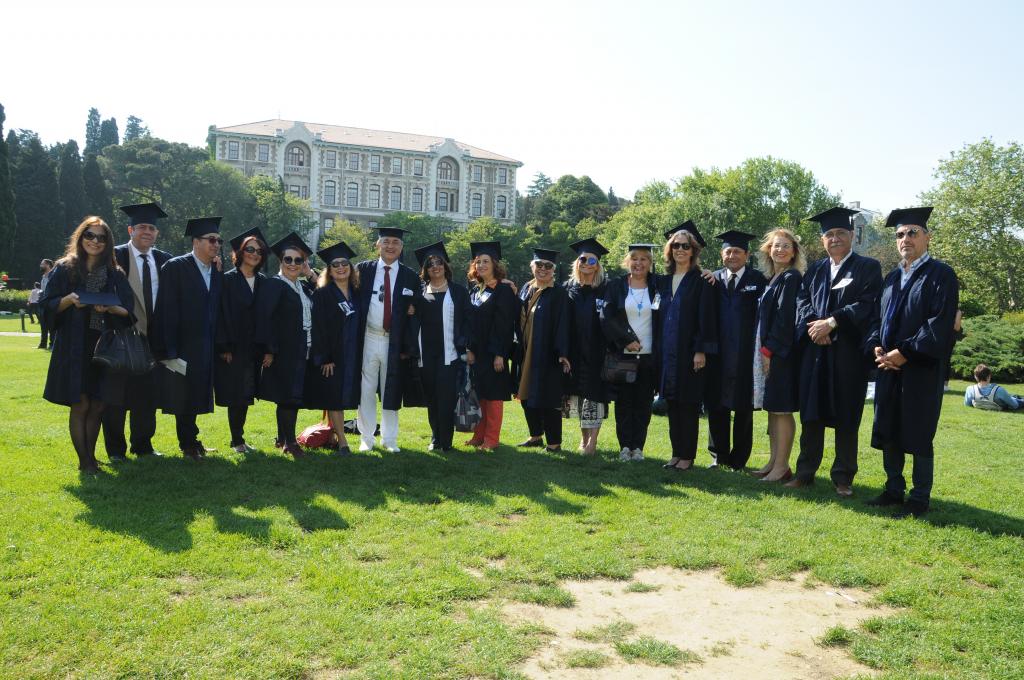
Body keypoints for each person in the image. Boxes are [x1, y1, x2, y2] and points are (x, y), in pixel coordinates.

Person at [866, 207, 959, 518]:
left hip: (921, 368)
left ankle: (919, 498)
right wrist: (877, 347)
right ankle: (893, 489)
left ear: (927, 237)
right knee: (889, 426)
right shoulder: (892, 278)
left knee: (919, 431)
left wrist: (904, 353)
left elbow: (939, 324)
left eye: (912, 233)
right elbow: (879, 319)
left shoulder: (941, 275)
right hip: (888, 368)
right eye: (900, 235)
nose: (905, 239)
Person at [787, 207, 882, 497]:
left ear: (852, 235)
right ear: (822, 239)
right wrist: (815, 328)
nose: (835, 238)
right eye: (829, 234)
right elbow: (802, 301)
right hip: (815, 351)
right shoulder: (815, 270)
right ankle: (805, 473)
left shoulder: (867, 267)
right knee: (811, 415)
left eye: (841, 233)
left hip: (847, 353)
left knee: (847, 414)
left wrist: (832, 322)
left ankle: (843, 477)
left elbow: (867, 303)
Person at [42, 217, 134, 473]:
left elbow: (128, 311)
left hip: (103, 346)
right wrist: (69, 300)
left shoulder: (115, 273)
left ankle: (91, 458)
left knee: (98, 404)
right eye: (90, 235)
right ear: (81, 237)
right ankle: (85, 462)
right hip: (73, 346)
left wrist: (110, 308)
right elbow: (47, 305)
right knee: (80, 403)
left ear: (108, 243)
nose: (95, 241)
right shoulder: (64, 268)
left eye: (101, 237)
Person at [101, 202, 173, 462]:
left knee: (147, 396)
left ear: (157, 233)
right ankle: (116, 450)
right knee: (115, 396)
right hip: (120, 335)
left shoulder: (165, 260)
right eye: (142, 227)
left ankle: (143, 445)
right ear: (130, 230)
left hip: (152, 339)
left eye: (152, 228)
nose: (147, 232)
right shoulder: (114, 256)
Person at [150, 216, 224, 460]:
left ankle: (192, 439)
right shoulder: (175, 267)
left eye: (219, 241)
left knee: (197, 394)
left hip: (205, 344)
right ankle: (188, 444)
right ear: (196, 242)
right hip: (182, 344)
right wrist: (168, 350)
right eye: (211, 240)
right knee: (183, 396)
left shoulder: (216, 271)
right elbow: (165, 309)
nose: (216, 245)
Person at [354, 227, 421, 452]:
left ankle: (389, 439)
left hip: (394, 342)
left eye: (395, 242)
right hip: (368, 337)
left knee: (391, 389)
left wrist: (413, 311)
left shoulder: (410, 276)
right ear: (378, 245)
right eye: (386, 241)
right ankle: (366, 438)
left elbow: (418, 308)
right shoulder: (363, 270)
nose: (390, 246)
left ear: (402, 247)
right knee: (366, 390)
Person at [658, 222, 719, 471]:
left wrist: (700, 350)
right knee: (672, 404)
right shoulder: (663, 281)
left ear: (693, 250)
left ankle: (687, 456)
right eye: (676, 245)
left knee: (688, 404)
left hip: (690, 352)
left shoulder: (701, 280)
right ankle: (676, 453)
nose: (680, 250)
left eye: (685, 246)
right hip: (668, 353)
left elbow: (706, 318)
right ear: (670, 249)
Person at [705, 230, 767, 471]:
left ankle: (739, 459)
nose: (732, 255)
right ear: (722, 254)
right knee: (716, 406)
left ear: (747, 255)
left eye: (737, 252)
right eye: (728, 251)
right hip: (717, 354)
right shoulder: (712, 279)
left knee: (743, 408)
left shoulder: (758, 280)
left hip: (745, 353)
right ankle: (718, 456)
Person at [255, 232, 317, 458]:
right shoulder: (274, 285)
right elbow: (265, 319)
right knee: (288, 398)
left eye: (298, 260)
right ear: (280, 261)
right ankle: (291, 443)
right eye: (288, 259)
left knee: (290, 396)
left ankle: (282, 439)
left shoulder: (302, 286)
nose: (293, 264)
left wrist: (310, 274)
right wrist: (269, 350)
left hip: (302, 349)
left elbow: (325, 293)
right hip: (283, 351)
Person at [751, 228, 805, 482]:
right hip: (770, 350)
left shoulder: (791, 277)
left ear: (793, 252)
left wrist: (768, 350)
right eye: (776, 245)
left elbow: (785, 318)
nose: (780, 250)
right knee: (773, 407)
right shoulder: (774, 278)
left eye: (786, 246)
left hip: (781, 353)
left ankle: (782, 466)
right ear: (768, 250)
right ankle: (773, 462)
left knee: (782, 409)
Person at [601, 243, 661, 462]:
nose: (639, 263)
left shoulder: (658, 284)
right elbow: (606, 317)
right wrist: (626, 341)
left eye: (644, 259)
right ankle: (625, 446)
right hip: (624, 355)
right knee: (624, 403)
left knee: (644, 404)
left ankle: (638, 448)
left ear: (650, 263)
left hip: (649, 356)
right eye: (634, 258)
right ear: (627, 261)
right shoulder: (616, 286)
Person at [412, 241, 472, 452]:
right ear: (425, 270)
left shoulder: (458, 292)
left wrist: (466, 346)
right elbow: (413, 320)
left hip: (449, 354)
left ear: (445, 266)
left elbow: (467, 321)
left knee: (446, 399)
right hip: (426, 355)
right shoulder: (420, 293)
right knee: (432, 399)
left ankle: (446, 441)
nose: (435, 267)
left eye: (439, 262)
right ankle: (435, 438)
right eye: (430, 264)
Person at [215, 227, 269, 453]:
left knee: (246, 393)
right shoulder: (227, 280)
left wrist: (268, 348)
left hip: (254, 348)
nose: (255, 254)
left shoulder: (263, 281)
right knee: (236, 394)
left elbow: (267, 316)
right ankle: (237, 440)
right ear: (240, 252)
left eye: (259, 251)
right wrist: (224, 346)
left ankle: (239, 438)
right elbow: (221, 313)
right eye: (250, 249)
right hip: (234, 346)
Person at [308, 240, 363, 455]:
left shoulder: (357, 293)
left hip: (354, 355)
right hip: (333, 356)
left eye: (344, 264)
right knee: (333, 398)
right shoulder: (322, 294)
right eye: (335, 265)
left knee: (347, 396)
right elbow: (318, 327)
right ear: (329, 270)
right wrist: (325, 357)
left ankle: (340, 435)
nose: (341, 267)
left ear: (351, 268)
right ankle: (342, 441)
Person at [516, 248, 571, 452]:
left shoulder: (558, 293)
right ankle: (535, 435)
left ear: (553, 270)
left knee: (548, 398)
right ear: (532, 267)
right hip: (525, 351)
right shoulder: (527, 288)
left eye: (548, 266)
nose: (543, 269)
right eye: (539, 265)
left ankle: (554, 443)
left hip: (547, 353)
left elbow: (564, 324)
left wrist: (562, 353)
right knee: (525, 395)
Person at [465, 241, 518, 451]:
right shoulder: (476, 290)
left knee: (494, 395)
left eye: (486, 261)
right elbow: (470, 323)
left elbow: (504, 325)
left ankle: (492, 438)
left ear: (495, 264)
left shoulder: (503, 290)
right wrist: (469, 348)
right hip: (478, 352)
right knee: (480, 394)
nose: (481, 265)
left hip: (494, 351)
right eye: (478, 262)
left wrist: (499, 354)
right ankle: (479, 435)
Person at [563, 238, 611, 455]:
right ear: (577, 262)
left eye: (592, 261)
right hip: (574, 351)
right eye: (583, 259)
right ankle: (583, 439)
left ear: (598, 265)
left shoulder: (606, 288)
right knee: (579, 397)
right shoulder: (568, 288)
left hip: (598, 351)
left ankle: (593, 441)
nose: (587, 264)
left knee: (596, 397)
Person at [38, 258, 55, 349]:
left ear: (48, 265)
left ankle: (52, 344)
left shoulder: (53, 275)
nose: (41, 266)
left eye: (42, 264)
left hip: (50, 303)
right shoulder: (43, 277)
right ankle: (43, 344)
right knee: (43, 324)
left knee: (52, 324)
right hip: (43, 303)